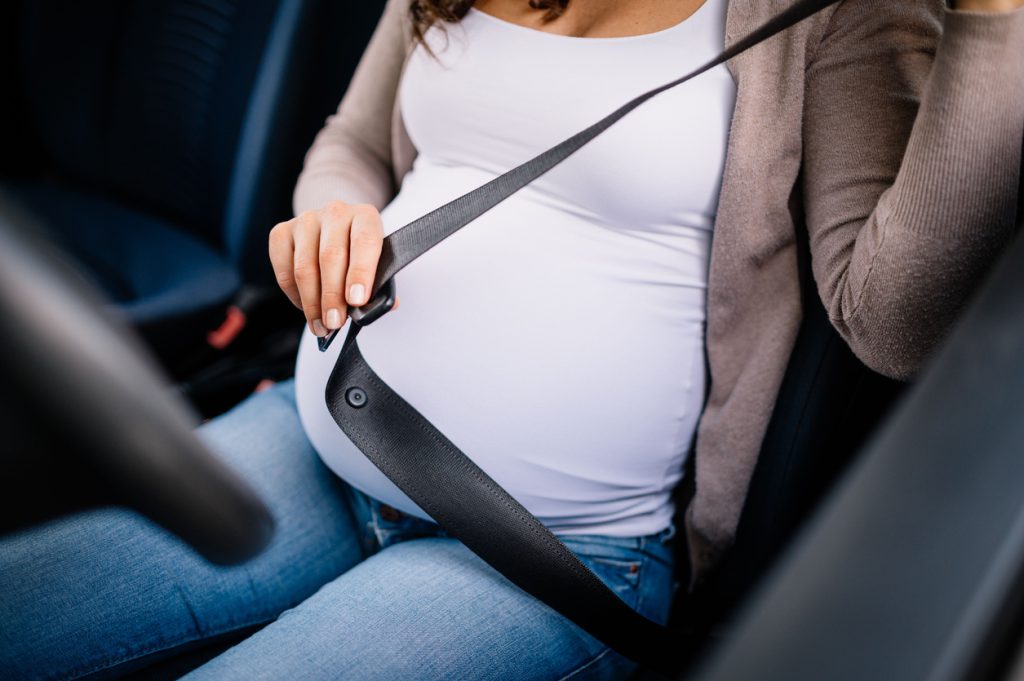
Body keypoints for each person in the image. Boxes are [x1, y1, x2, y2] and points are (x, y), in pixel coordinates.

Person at [2, 0, 1023, 679]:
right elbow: (349, 147)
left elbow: (891, 320)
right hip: (317, 437)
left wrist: (992, 24)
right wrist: (328, 215)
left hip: (542, 554)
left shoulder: (822, 17)